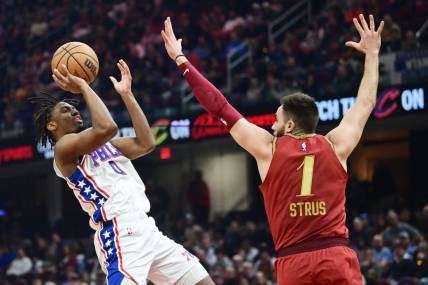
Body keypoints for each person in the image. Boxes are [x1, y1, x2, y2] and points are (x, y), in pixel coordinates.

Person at [162, 15, 384, 284]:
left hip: (294, 261)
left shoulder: (269, 149)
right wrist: (372, 54)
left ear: (289, 124)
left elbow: (219, 107)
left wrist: (181, 61)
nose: (271, 126)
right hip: (336, 256)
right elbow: (366, 102)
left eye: (276, 120)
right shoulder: (337, 145)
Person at [29, 60, 214, 285]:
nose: (74, 109)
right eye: (65, 110)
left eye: (73, 106)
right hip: (119, 234)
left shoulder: (107, 145)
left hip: (148, 229)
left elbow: (146, 144)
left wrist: (127, 95)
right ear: (51, 126)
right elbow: (107, 127)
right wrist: (84, 87)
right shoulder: (63, 149)